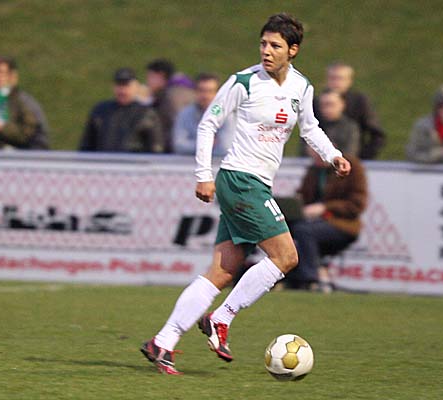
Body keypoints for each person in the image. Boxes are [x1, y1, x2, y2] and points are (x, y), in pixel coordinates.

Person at [140, 13, 351, 375]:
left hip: (257, 183)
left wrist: (333, 155)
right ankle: (222, 317)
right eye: (263, 44)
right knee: (286, 257)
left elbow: (310, 128)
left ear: (293, 50)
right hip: (240, 179)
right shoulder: (243, 82)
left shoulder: (301, 87)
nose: (266, 51)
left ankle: (163, 342)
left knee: (222, 272)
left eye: (275, 46)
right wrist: (203, 175)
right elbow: (208, 124)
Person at [286, 148, 367, 292]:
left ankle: (311, 279)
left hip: (342, 224)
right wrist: (296, 204)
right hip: (311, 222)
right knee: (284, 228)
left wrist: (324, 208)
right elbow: (304, 195)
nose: (314, 155)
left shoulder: (352, 167)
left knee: (304, 231)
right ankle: (286, 275)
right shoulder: (314, 170)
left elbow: (356, 205)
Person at [79, 68, 164, 153]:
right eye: (119, 85)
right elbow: (86, 145)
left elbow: (155, 148)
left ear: (136, 87)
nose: (122, 90)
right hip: (104, 160)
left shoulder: (146, 114)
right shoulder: (100, 111)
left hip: (132, 161)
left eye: (126, 85)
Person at [314, 61, 386, 159]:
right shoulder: (317, 101)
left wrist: (362, 158)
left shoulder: (359, 102)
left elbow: (376, 134)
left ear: (349, 81)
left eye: (340, 79)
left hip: (353, 155)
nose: (336, 83)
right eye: (333, 78)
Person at [172, 72, 234, 157]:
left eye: (210, 91)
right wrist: (209, 143)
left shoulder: (228, 114)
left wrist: (195, 146)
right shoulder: (185, 114)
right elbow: (179, 146)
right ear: (195, 92)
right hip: (189, 163)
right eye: (201, 91)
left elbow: (225, 148)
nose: (205, 96)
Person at [8, 61, 51, 150]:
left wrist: (1, 128)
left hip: (18, 153)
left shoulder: (25, 102)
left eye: (0, 73)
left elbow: (29, 134)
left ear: (14, 78)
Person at [311, 88, 360, 155]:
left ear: (342, 104)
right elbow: (303, 154)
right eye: (323, 105)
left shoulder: (351, 128)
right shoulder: (312, 127)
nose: (328, 109)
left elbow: (351, 153)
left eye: (332, 104)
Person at [141, 59, 176, 151]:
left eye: (150, 77)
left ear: (160, 76)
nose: (147, 81)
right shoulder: (162, 97)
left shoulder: (168, 100)